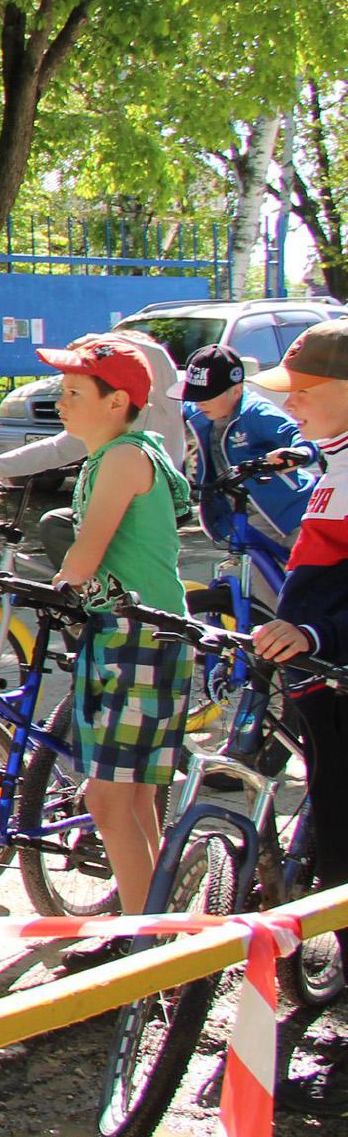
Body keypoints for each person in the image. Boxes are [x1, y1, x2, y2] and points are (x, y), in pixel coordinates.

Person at [36, 338, 193, 913]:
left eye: (76, 392)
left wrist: (57, 585)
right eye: (63, 391)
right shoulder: (124, 453)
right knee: (132, 803)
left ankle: (140, 951)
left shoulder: (125, 458)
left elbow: (85, 555)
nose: (63, 401)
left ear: (117, 401)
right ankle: (154, 938)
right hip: (140, 633)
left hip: (139, 637)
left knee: (109, 802)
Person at [247, 319, 348, 891]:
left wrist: (317, 634)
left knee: (341, 865)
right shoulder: (333, 455)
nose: (291, 401)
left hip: (336, 674)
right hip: (320, 682)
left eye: (306, 389)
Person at [0, 326, 183, 489]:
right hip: (118, 504)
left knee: (58, 526)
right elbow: (54, 449)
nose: (61, 403)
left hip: (151, 512)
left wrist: (93, 341)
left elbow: (157, 355)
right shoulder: (104, 423)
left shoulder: (163, 404)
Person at [181, 343, 316, 589]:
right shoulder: (199, 413)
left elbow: (297, 434)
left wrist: (300, 452)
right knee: (264, 590)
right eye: (194, 394)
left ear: (236, 390)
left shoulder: (255, 412)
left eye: (207, 395)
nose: (198, 402)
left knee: (307, 583)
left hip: (288, 512)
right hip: (244, 517)